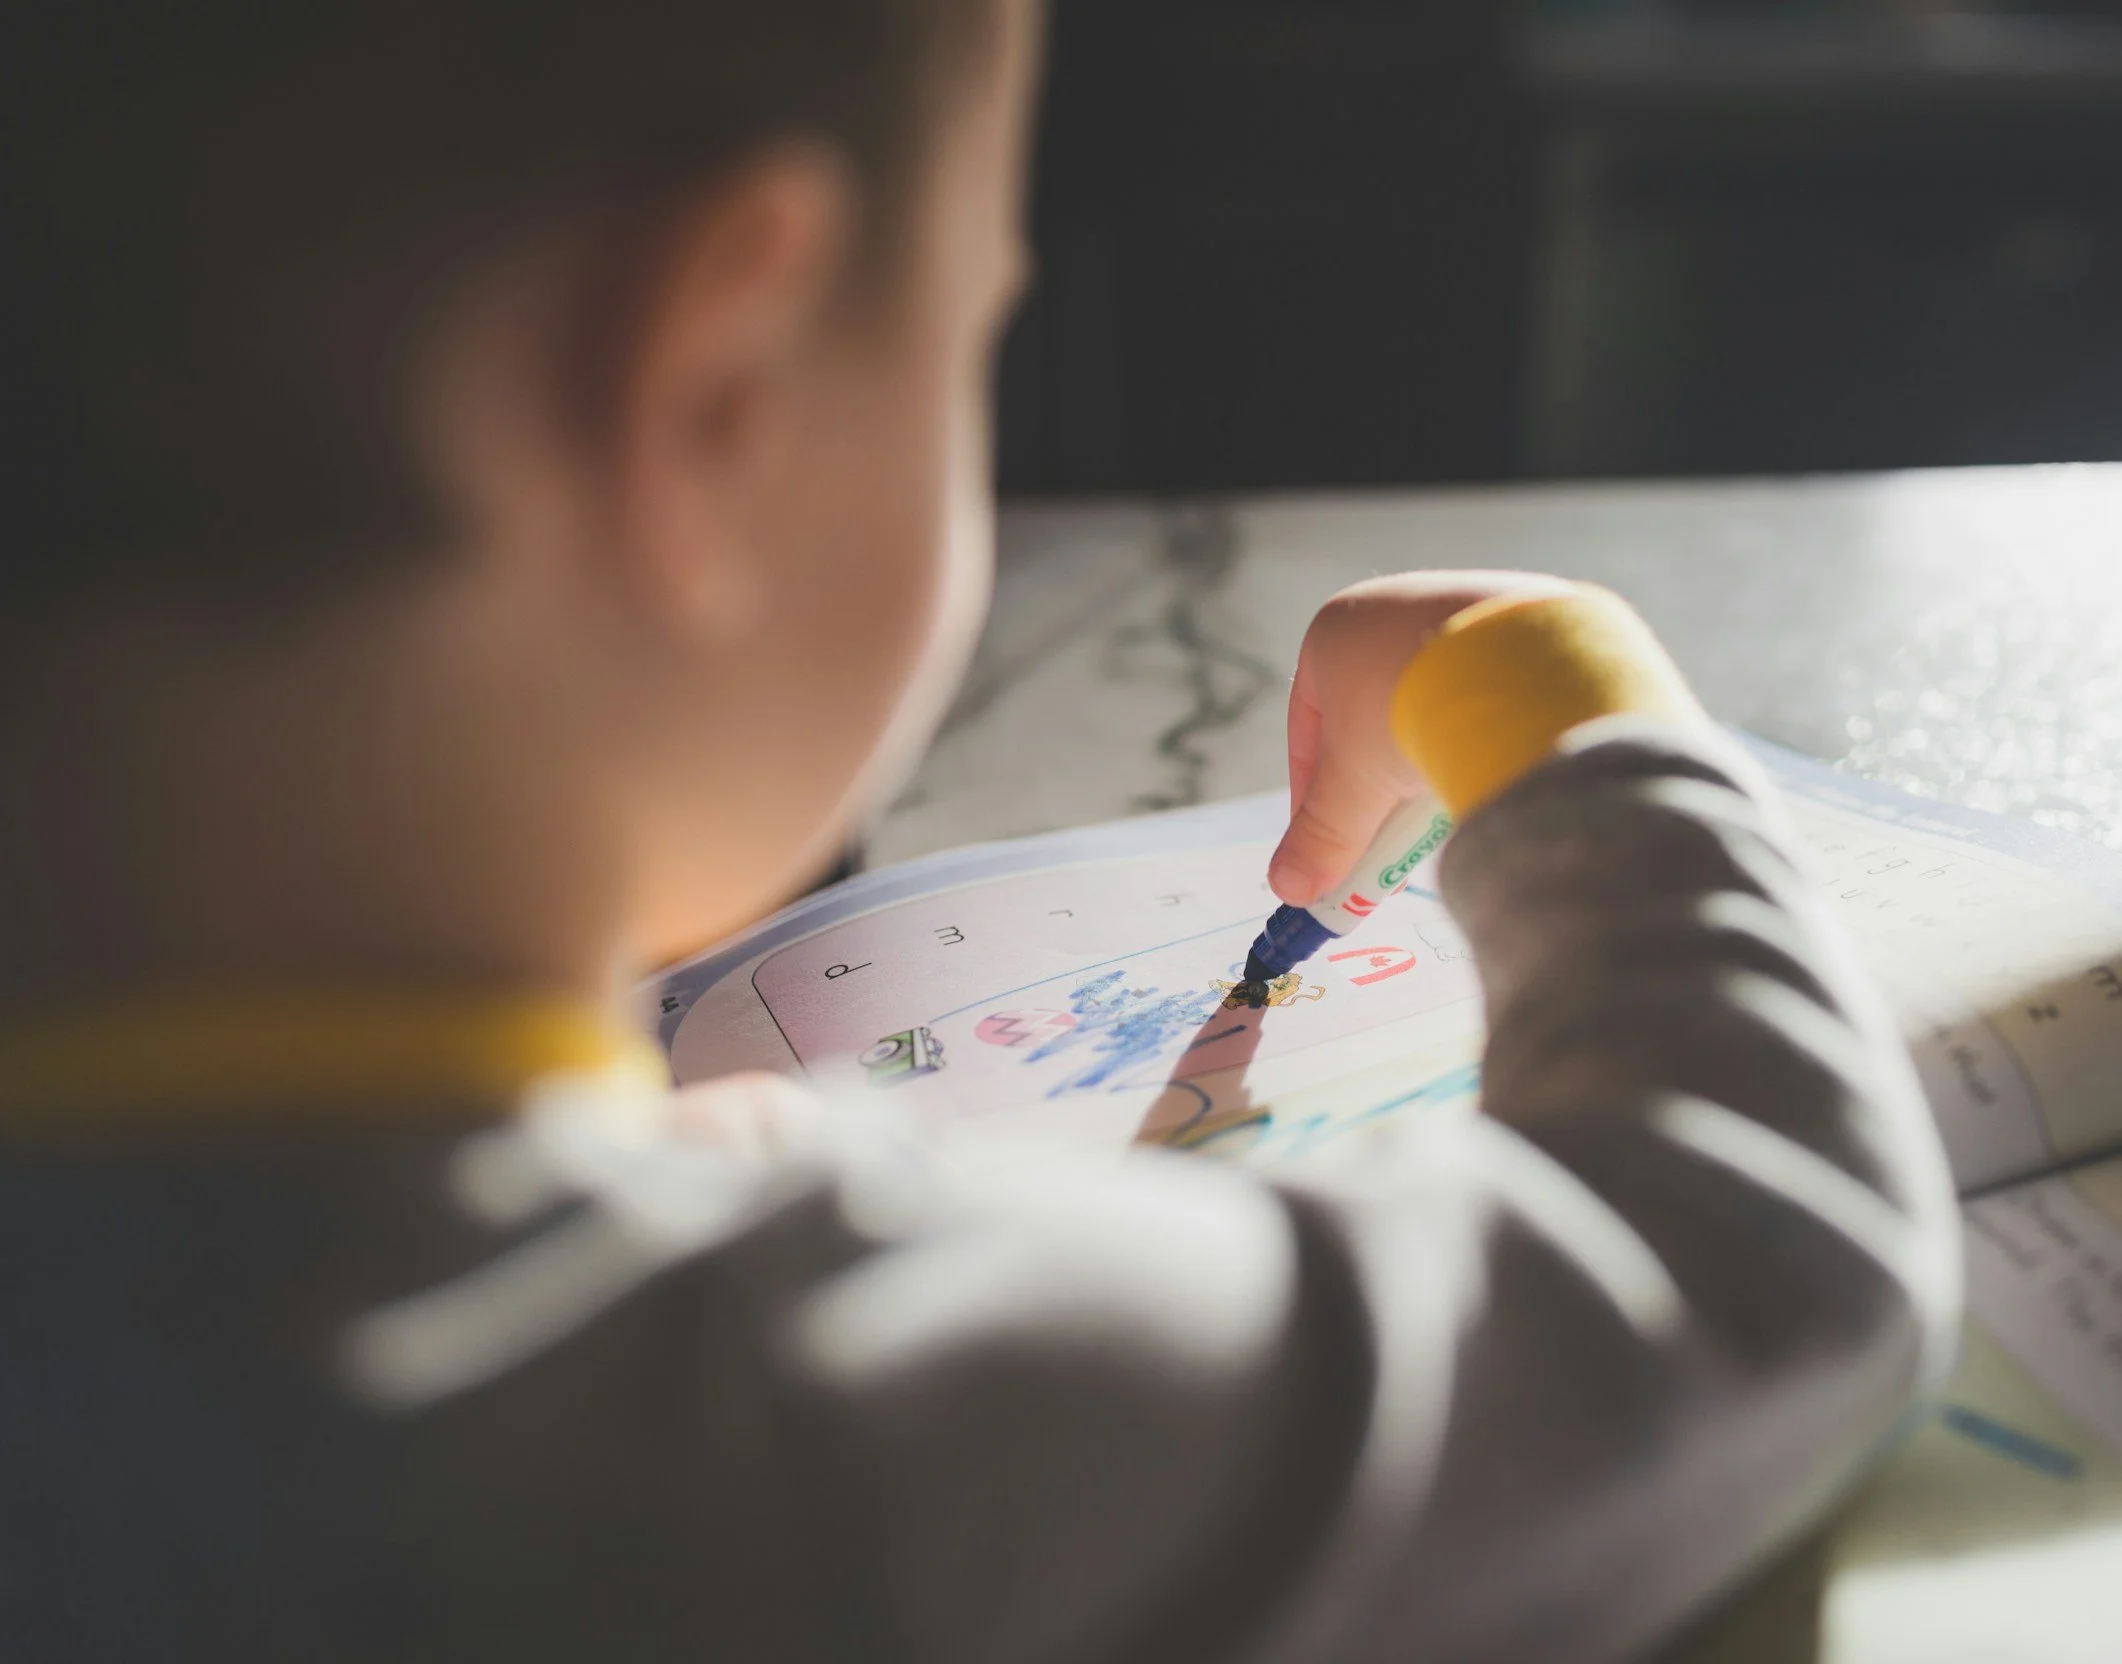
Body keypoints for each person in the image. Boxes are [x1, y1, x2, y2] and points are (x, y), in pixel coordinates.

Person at [0, 0, 1958, 1657]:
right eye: (970, 341)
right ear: (713, 399)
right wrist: (1531, 681)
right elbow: (1749, 1265)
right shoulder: (807, 1411)